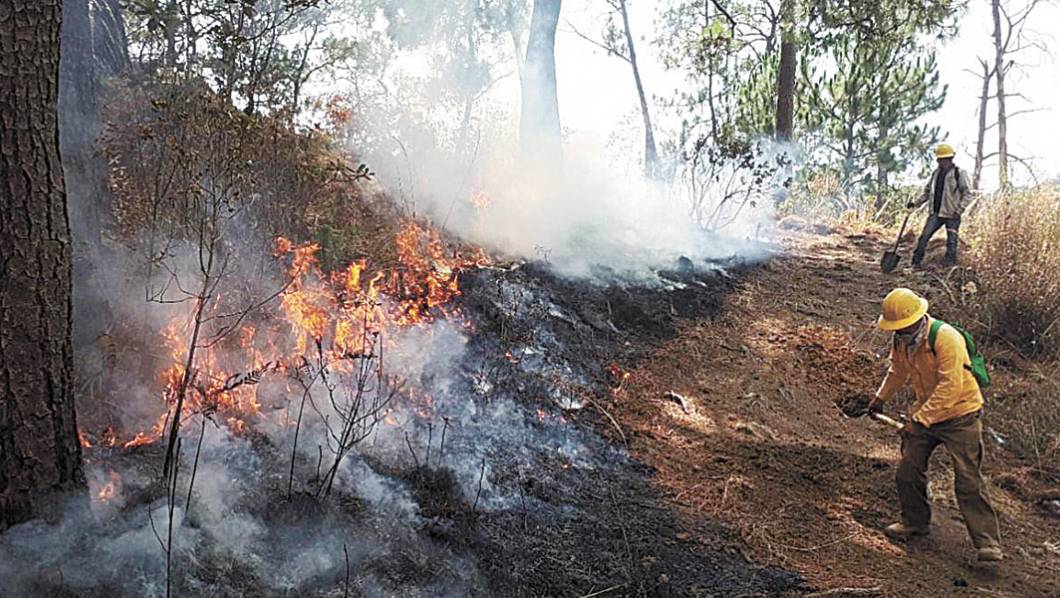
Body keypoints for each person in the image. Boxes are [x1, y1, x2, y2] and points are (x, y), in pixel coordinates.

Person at [869, 288, 1003, 562]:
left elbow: (950, 387)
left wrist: (919, 419)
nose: (899, 331)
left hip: (961, 415)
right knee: (907, 471)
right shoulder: (902, 341)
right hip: (927, 414)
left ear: (916, 319)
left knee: (968, 480)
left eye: (902, 326)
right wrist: (880, 398)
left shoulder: (946, 338)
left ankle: (987, 543)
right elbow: (897, 371)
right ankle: (915, 523)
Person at [907, 144, 972, 266]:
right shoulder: (935, 174)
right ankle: (916, 263)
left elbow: (967, 194)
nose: (940, 162)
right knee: (924, 237)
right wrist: (915, 203)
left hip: (952, 214)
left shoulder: (959, 173)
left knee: (952, 242)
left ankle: (949, 266)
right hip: (936, 214)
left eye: (943, 159)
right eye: (939, 159)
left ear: (950, 159)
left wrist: (959, 209)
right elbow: (927, 192)